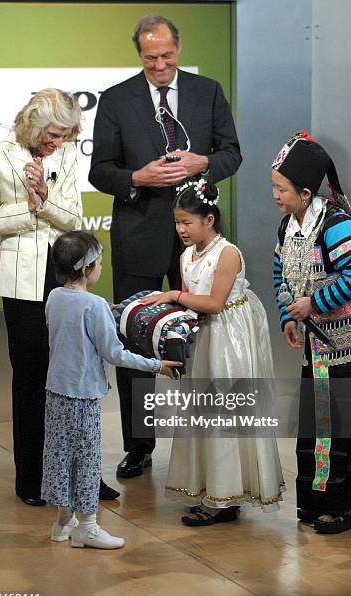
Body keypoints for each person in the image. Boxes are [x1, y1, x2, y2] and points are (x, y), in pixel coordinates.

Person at [89, 14, 242, 478]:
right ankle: (140, 446)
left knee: (205, 336)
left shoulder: (208, 91)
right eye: (149, 57)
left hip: (199, 240)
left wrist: (204, 162)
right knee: (134, 335)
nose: (158, 64)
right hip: (137, 236)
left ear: (179, 48)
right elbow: (100, 170)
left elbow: (232, 153)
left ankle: (205, 441)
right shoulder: (116, 100)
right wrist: (136, 177)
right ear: (139, 54)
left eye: (166, 55)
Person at [140, 178, 284, 525]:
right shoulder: (187, 255)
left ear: (209, 219)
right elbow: (194, 304)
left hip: (227, 339)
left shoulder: (227, 253)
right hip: (203, 337)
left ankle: (224, 498)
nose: (181, 229)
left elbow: (215, 303)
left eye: (187, 222)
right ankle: (213, 487)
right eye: (177, 222)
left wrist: (173, 296)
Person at [0, 89, 84, 506]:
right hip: (21, 283)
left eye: (65, 135)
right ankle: (32, 479)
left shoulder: (69, 156)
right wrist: (28, 208)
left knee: (73, 375)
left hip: (64, 277)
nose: (58, 143)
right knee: (30, 377)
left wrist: (47, 201)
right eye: (54, 134)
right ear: (34, 124)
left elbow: (73, 218)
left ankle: (79, 470)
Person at [272, 131, 351, 533]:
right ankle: (318, 503)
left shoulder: (338, 225)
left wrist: (313, 305)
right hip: (319, 347)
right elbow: (280, 274)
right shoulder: (289, 227)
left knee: (348, 431)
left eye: (281, 188)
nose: (275, 195)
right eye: (273, 187)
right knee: (319, 428)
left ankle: (344, 509)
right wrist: (288, 315)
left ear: (304, 191)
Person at [42, 230, 181, 549]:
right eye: (99, 263)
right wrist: (156, 365)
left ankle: (63, 522)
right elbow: (114, 353)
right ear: (86, 268)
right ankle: (87, 527)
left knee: (62, 457)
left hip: (56, 392)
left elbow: (71, 323)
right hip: (84, 395)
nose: (102, 268)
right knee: (87, 459)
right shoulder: (94, 307)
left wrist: (105, 309)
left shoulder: (54, 297)